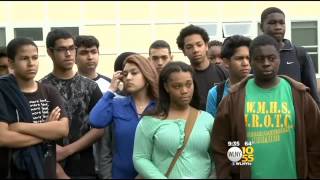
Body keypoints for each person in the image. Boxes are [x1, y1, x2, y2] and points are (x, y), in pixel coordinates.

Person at [212, 34, 320, 179]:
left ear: (279, 59)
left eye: (271, 58)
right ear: (251, 61)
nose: (266, 63)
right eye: (259, 59)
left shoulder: (298, 95)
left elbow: (315, 142)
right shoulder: (234, 98)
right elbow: (221, 145)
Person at [0, 37, 69, 179]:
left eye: (35, 57)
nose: (31, 63)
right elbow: (3, 137)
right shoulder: (3, 92)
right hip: (14, 173)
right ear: (11, 63)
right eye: (24, 58)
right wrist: (46, 132)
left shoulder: (49, 91)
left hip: (46, 171)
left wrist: (19, 127)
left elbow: (62, 129)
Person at [133, 61, 215, 179]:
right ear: (166, 87)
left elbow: (216, 157)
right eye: (177, 86)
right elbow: (140, 158)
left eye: (188, 84)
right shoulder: (150, 121)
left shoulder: (206, 119)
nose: (184, 91)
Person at [41, 29, 104, 179]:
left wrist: (67, 150)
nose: (68, 54)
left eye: (71, 48)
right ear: (50, 52)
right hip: (49, 167)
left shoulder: (91, 87)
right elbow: (36, 129)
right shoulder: (41, 88)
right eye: (62, 49)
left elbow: (100, 128)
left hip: (85, 167)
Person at [89, 54, 159, 179]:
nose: (128, 78)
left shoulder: (160, 107)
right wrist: (111, 90)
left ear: (146, 75)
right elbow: (95, 120)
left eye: (134, 73)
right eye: (125, 74)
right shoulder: (117, 104)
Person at [260, 7, 320, 106]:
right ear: (261, 27)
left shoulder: (299, 54)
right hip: (261, 114)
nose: (278, 27)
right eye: (272, 23)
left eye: (282, 23)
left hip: (293, 116)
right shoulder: (253, 54)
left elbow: (312, 92)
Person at [74, 35, 112, 179]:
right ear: (75, 57)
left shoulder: (111, 85)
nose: (90, 57)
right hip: (80, 158)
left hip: (106, 156)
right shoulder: (69, 86)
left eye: (93, 52)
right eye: (84, 53)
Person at [176, 24, 228, 110]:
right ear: (183, 51)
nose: (195, 50)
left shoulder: (224, 73)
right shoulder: (182, 77)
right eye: (189, 47)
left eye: (199, 45)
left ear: (206, 46)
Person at [206, 35, 251, 117]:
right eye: (239, 58)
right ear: (226, 62)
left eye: (248, 58)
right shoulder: (215, 94)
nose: (245, 63)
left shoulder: (262, 88)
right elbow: (212, 127)